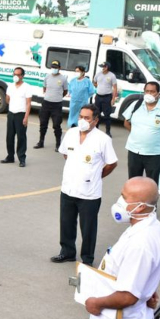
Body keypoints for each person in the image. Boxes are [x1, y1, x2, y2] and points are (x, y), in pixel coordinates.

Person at [85, 177, 160, 319]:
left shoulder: (140, 244)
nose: (119, 201)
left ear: (140, 207)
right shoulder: (151, 226)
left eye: (124, 197)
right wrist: (147, 291)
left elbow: (127, 297)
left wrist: (95, 303)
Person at [50, 105, 118, 266]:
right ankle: (67, 252)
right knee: (66, 223)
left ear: (95, 120)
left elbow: (112, 163)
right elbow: (65, 153)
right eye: (81, 116)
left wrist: (96, 176)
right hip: (68, 188)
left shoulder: (103, 139)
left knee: (88, 228)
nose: (82, 120)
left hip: (89, 193)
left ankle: (87, 258)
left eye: (87, 118)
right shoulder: (71, 133)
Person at [123, 81, 160, 184]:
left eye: (152, 92)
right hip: (134, 151)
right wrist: (137, 134)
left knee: (151, 184)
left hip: (154, 154)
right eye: (147, 91)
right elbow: (126, 123)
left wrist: (156, 137)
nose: (149, 94)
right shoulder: (136, 105)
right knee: (133, 183)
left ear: (159, 94)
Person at [1, 67, 32, 167]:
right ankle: (10, 156)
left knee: (21, 137)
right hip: (11, 114)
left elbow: (28, 103)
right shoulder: (10, 86)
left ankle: (22, 158)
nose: (15, 76)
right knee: (9, 136)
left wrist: (26, 117)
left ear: (22, 76)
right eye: (14, 74)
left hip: (21, 114)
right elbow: (7, 99)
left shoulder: (27, 87)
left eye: (18, 74)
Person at [34, 60, 68, 151]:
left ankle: (58, 144)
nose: (54, 69)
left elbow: (65, 91)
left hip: (57, 105)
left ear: (59, 68)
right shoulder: (47, 77)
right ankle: (41, 142)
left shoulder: (63, 79)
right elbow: (44, 88)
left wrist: (57, 97)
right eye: (53, 67)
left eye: (56, 67)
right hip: (46, 103)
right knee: (43, 124)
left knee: (56, 125)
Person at [93, 62, 118, 136]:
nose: (102, 68)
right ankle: (95, 130)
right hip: (98, 97)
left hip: (107, 97)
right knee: (96, 114)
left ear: (107, 67)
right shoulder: (98, 74)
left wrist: (113, 99)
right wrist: (98, 87)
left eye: (104, 67)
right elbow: (94, 82)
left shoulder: (112, 75)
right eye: (102, 67)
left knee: (107, 115)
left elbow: (115, 87)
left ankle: (108, 131)